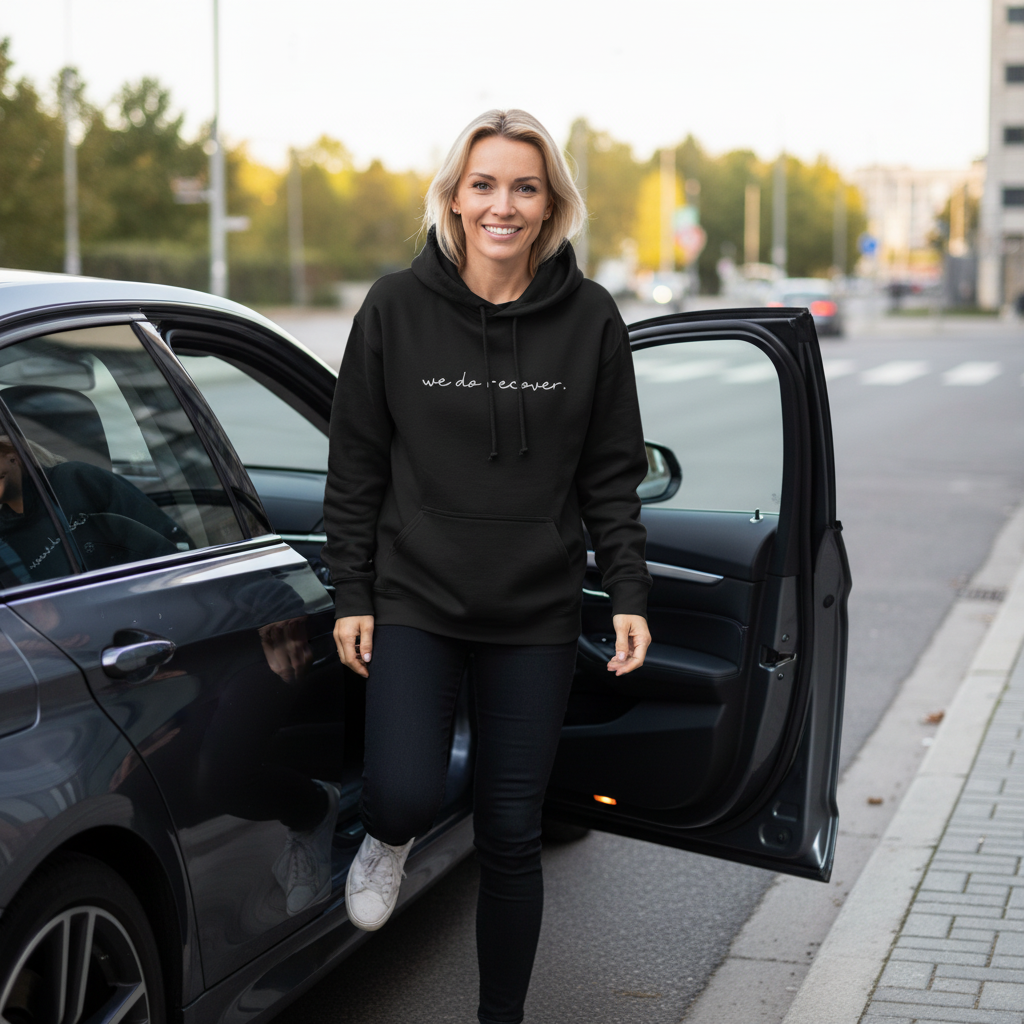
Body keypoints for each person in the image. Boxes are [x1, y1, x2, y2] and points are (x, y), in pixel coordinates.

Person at [322, 109, 652, 1024]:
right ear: (455, 200)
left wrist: (628, 588)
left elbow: (611, 471)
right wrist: (353, 591)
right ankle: (385, 841)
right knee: (401, 791)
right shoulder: (393, 307)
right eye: (484, 185)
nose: (502, 204)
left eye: (524, 186)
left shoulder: (589, 318)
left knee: (511, 836)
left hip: (535, 612)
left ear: (551, 207)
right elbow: (354, 465)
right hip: (417, 596)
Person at [0, 435, 191, 579]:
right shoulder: (4, 535)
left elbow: (159, 532)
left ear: (12, 456)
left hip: (152, 583)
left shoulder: (73, 479)